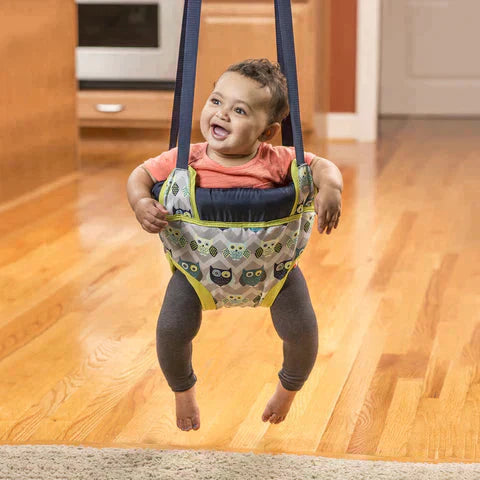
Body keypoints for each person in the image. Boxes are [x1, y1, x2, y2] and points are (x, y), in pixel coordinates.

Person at [126, 58, 343, 432]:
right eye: (216, 101)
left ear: (267, 131)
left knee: (302, 331)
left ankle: (288, 389)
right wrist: (141, 202)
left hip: (275, 272)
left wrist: (331, 188)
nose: (222, 114)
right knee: (171, 330)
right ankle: (183, 391)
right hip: (196, 270)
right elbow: (140, 175)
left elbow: (321, 165)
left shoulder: (278, 161)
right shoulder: (185, 158)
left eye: (239, 110)